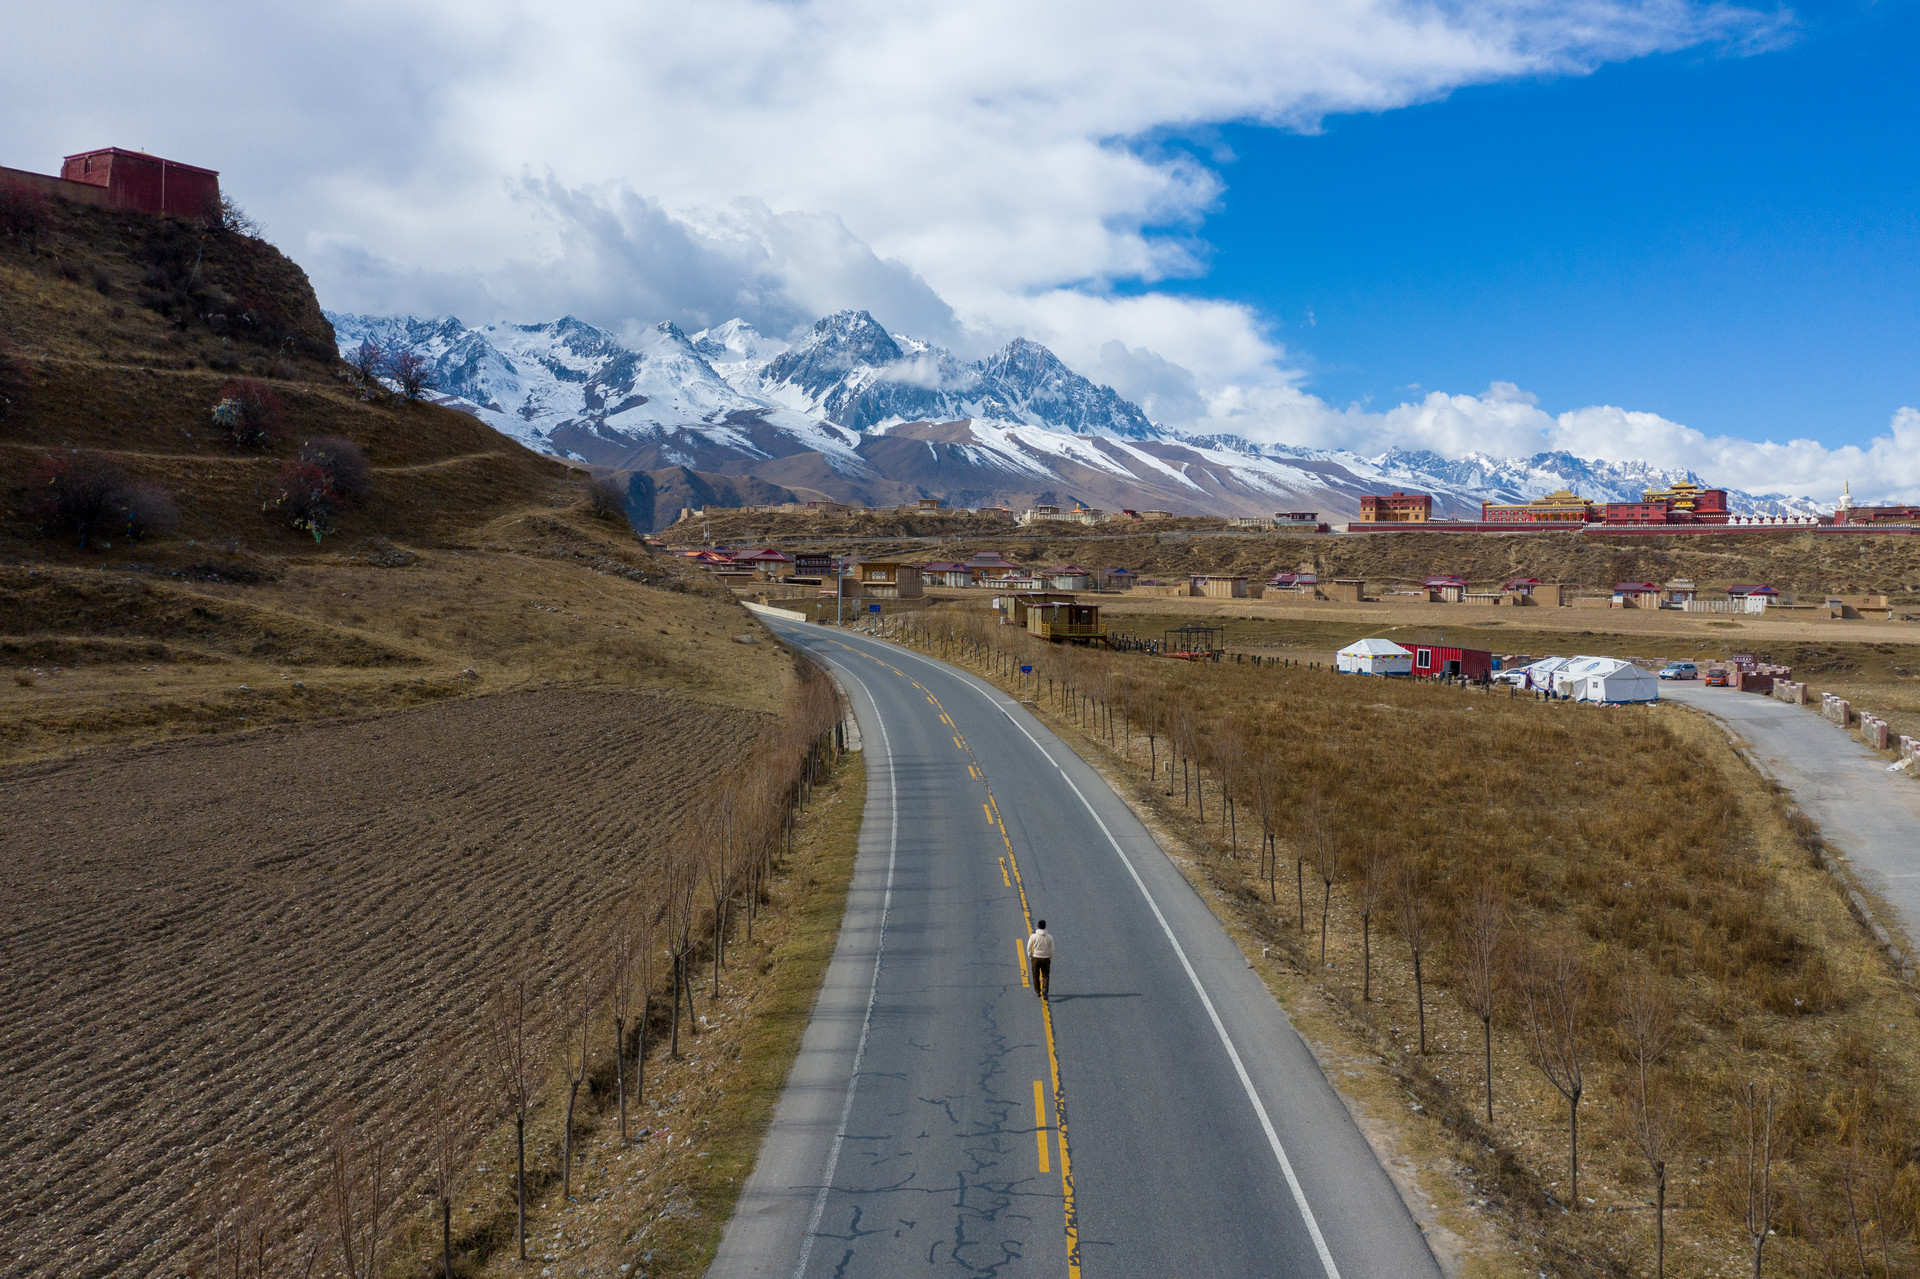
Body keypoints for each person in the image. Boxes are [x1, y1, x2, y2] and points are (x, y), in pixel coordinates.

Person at [1026, 920, 1054, 998]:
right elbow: (1052, 949)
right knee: (1045, 975)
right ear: (1045, 927)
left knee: (1035, 975)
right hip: (1045, 958)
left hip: (1036, 958)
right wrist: (1050, 957)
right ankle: (1044, 988)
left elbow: (1029, 947)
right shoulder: (1049, 937)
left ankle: (1037, 991)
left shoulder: (1033, 936)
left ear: (1038, 927)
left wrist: (1030, 956)